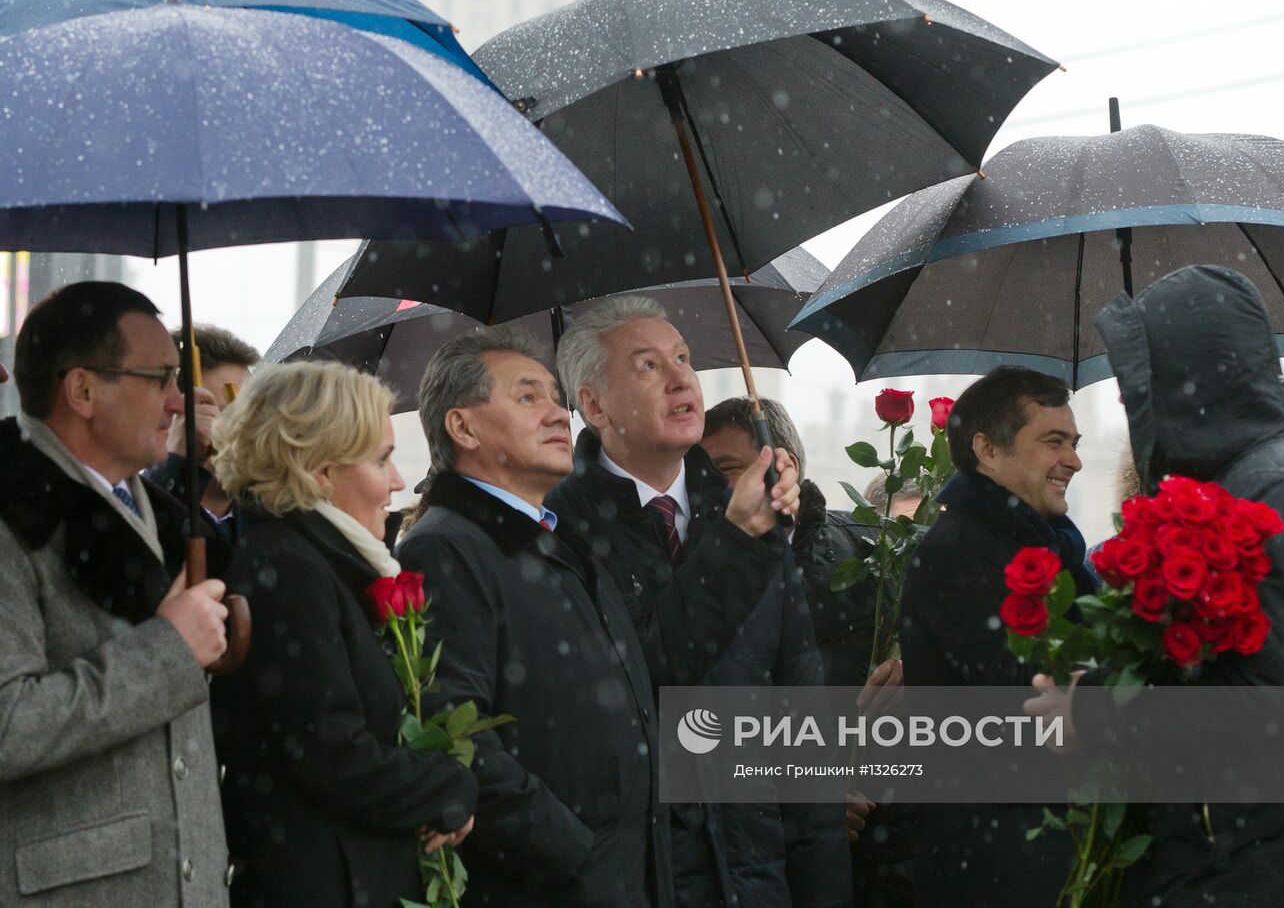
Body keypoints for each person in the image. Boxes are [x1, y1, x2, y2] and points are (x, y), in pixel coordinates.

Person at [1029, 265, 1284, 905]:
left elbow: (1260, 707)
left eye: (1143, 381)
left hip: (1280, 865)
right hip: (1260, 856)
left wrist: (1094, 711)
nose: (1132, 401)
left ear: (1196, 379)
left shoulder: (1278, 492)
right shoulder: (1251, 480)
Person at [550, 296, 850, 908]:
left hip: (756, 869)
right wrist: (737, 543)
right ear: (593, 404)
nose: (682, 377)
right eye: (648, 366)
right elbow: (642, 687)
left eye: (682, 357)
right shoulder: (560, 529)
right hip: (641, 876)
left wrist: (823, 885)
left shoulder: (747, 511)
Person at [395, 328, 669, 907]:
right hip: (551, 887)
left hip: (625, 876)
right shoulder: (446, 549)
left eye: (555, 396)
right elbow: (453, 732)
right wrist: (574, 851)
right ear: (462, 427)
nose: (557, 412)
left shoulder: (557, 541)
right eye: (527, 397)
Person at [210, 361, 477, 908]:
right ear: (320, 472)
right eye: (382, 459)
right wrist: (449, 784)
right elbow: (333, 758)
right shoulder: (288, 571)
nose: (400, 480)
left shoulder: (313, 563)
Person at [0, 281, 232, 906]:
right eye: (160, 379)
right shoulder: (12, 518)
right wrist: (168, 649)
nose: (180, 403)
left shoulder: (156, 509)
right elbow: (7, 724)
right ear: (81, 391)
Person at [701, 396, 911, 908]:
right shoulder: (700, 576)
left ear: (783, 466)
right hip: (759, 858)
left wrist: (914, 671)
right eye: (699, 472)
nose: (708, 486)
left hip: (885, 851)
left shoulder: (875, 554)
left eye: (725, 469)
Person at [898, 365, 1092, 907]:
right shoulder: (961, 549)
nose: (1074, 460)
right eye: (1053, 442)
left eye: (1074, 443)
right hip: (1000, 864)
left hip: (1046, 849)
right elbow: (1029, 698)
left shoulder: (1049, 544)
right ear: (987, 449)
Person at [144, 324, 260, 537]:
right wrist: (175, 464)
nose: (245, 428)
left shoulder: (275, 516)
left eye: (252, 411)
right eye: (223, 414)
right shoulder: (137, 507)